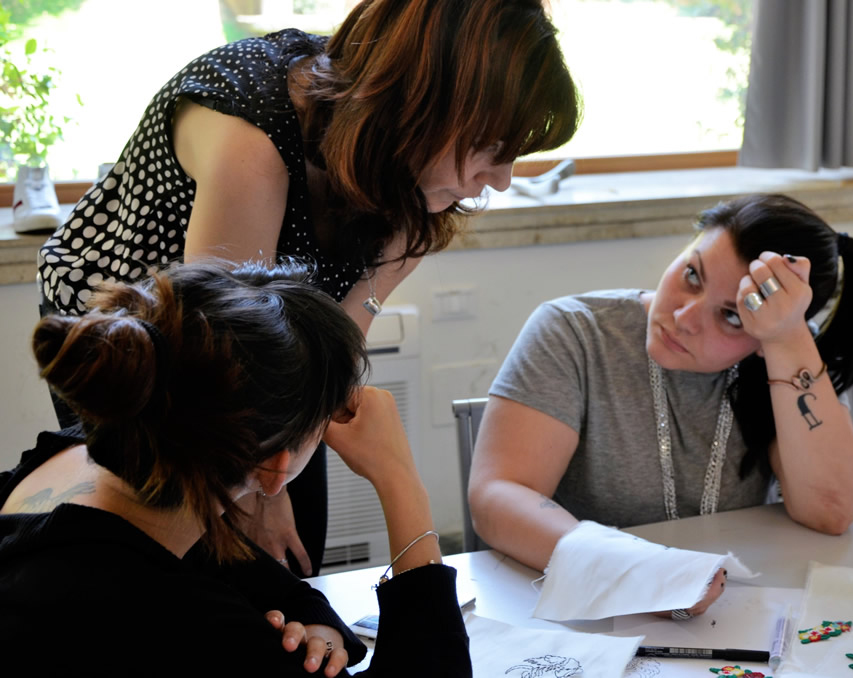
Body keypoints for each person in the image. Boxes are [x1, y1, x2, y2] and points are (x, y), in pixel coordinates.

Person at [36, 0, 581, 576]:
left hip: (255, 350)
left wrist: (281, 484)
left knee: (292, 546)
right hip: (143, 339)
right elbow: (226, 372)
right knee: (170, 560)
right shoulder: (252, 139)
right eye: (492, 148)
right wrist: (263, 496)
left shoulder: (409, 172)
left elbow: (338, 340)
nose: (502, 180)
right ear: (423, 108)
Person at [0, 260, 470, 676]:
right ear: (275, 468)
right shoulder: (183, 627)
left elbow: (250, 575)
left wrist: (318, 623)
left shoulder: (89, 465)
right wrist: (399, 481)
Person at [468, 193, 853, 617]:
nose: (685, 317)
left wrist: (786, 340)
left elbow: (831, 512)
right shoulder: (573, 331)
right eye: (692, 275)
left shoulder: (785, 352)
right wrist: (636, 574)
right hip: (590, 611)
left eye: (732, 316)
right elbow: (496, 496)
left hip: (737, 608)